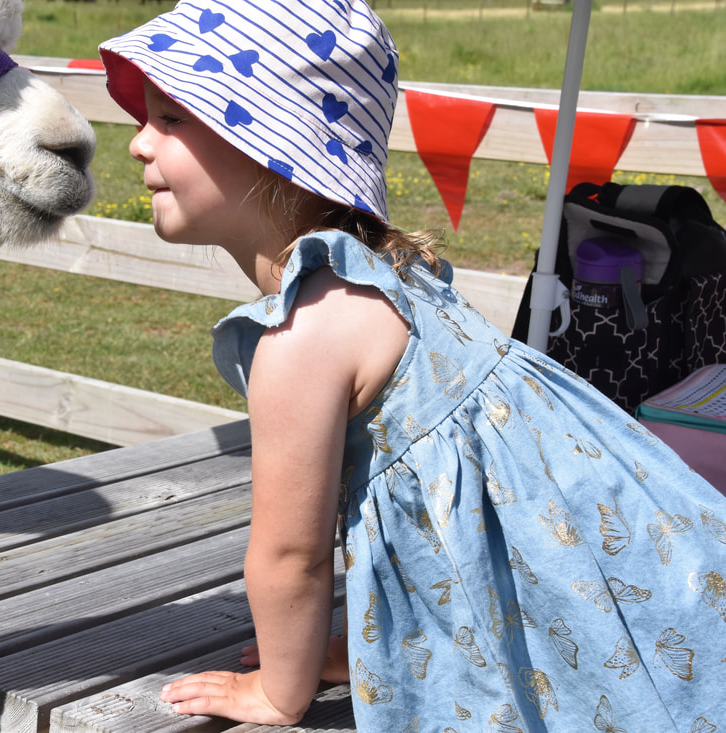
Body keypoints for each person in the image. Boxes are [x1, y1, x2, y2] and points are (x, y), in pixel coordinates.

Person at [99, 1, 726, 730]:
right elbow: (461, 507)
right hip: (607, 565)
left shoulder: (303, 331)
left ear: (271, 145)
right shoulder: (390, 276)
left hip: (564, 590)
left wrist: (279, 688)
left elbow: (289, 556)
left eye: (171, 118)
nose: (139, 143)